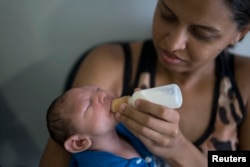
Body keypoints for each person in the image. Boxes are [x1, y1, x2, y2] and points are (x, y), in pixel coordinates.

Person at [40, 0, 250, 166]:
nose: (173, 43)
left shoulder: (244, 81)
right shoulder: (111, 65)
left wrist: (179, 151)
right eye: (167, 15)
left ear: (240, 33)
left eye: (202, 33)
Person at [46, 85, 159, 167]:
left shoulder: (123, 126)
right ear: (79, 142)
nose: (102, 94)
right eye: (88, 105)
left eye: (97, 89)